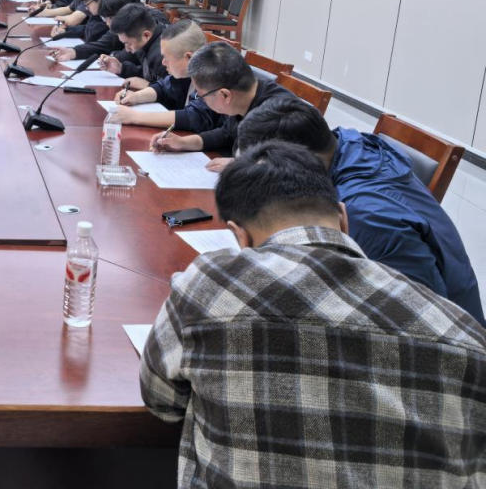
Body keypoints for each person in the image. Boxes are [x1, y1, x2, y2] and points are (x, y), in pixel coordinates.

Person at [141, 141, 486, 487]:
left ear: (239, 236)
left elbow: (163, 401)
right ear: (344, 218)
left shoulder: (210, 284)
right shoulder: (465, 336)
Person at [236, 97, 484, 324]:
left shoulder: (363, 216)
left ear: (298, 161)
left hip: (444, 335)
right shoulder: (347, 143)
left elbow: (414, 316)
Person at [150, 41, 296, 171]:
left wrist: (240, 165)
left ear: (225, 95)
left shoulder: (281, 117)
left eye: (201, 96)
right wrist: (183, 142)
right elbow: (227, 134)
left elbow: (286, 169)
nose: (201, 100)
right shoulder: (245, 95)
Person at [111, 20, 206, 118]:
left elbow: (192, 117)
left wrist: (136, 117)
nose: (163, 62)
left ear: (188, 57)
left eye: (167, 58)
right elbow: (164, 88)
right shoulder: (186, 74)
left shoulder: (210, 82)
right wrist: (136, 96)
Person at [50, 0, 139, 61]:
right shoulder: (109, 18)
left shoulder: (140, 32)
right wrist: (73, 51)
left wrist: (114, 56)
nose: (107, 23)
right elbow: (102, 44)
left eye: (110, 18)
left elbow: (93, 36)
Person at [99, 3, 168, 85]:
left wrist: (148, 86)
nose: (127, 49)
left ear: (146, 35)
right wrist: (121, 68)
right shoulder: (150, 39)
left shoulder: (164, 53)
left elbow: (173, 90)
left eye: (128, 43)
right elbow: (150, 75)